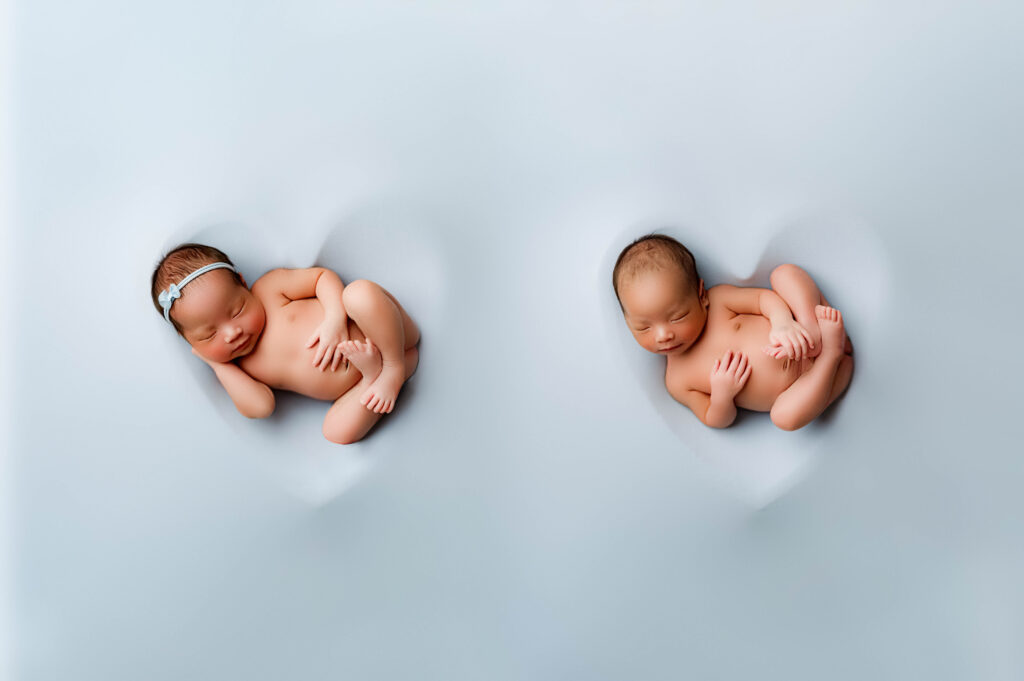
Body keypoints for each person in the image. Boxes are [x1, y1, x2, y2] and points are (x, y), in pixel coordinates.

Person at [151, 243, 419, 444]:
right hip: (365, 386)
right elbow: (260, 407)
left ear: (243, 284)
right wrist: (217, 364)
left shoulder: (269, 289)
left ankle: (393, 365)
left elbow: (321, 278)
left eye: (237, 311)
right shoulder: (240, 366)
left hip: (387, 330)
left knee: (358, 294)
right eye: (209, 335)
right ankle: (378, 375)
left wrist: (335, 320)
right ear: (190, 341)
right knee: (335, 433)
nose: (232, 333)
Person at [613, 235, 853, 430]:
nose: (663, 335)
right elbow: (714, 419)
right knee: (784, 418)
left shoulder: (719, 301)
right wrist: (722, 396)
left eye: (677, 317)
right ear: (627, 321)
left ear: (701, 295)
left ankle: (811, 328)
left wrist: (783, 324)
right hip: (804, 387)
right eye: (643, 327)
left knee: (784, 274)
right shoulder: (677, 380)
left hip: (802, 333)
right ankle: (831, 356)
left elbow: (763, 299)